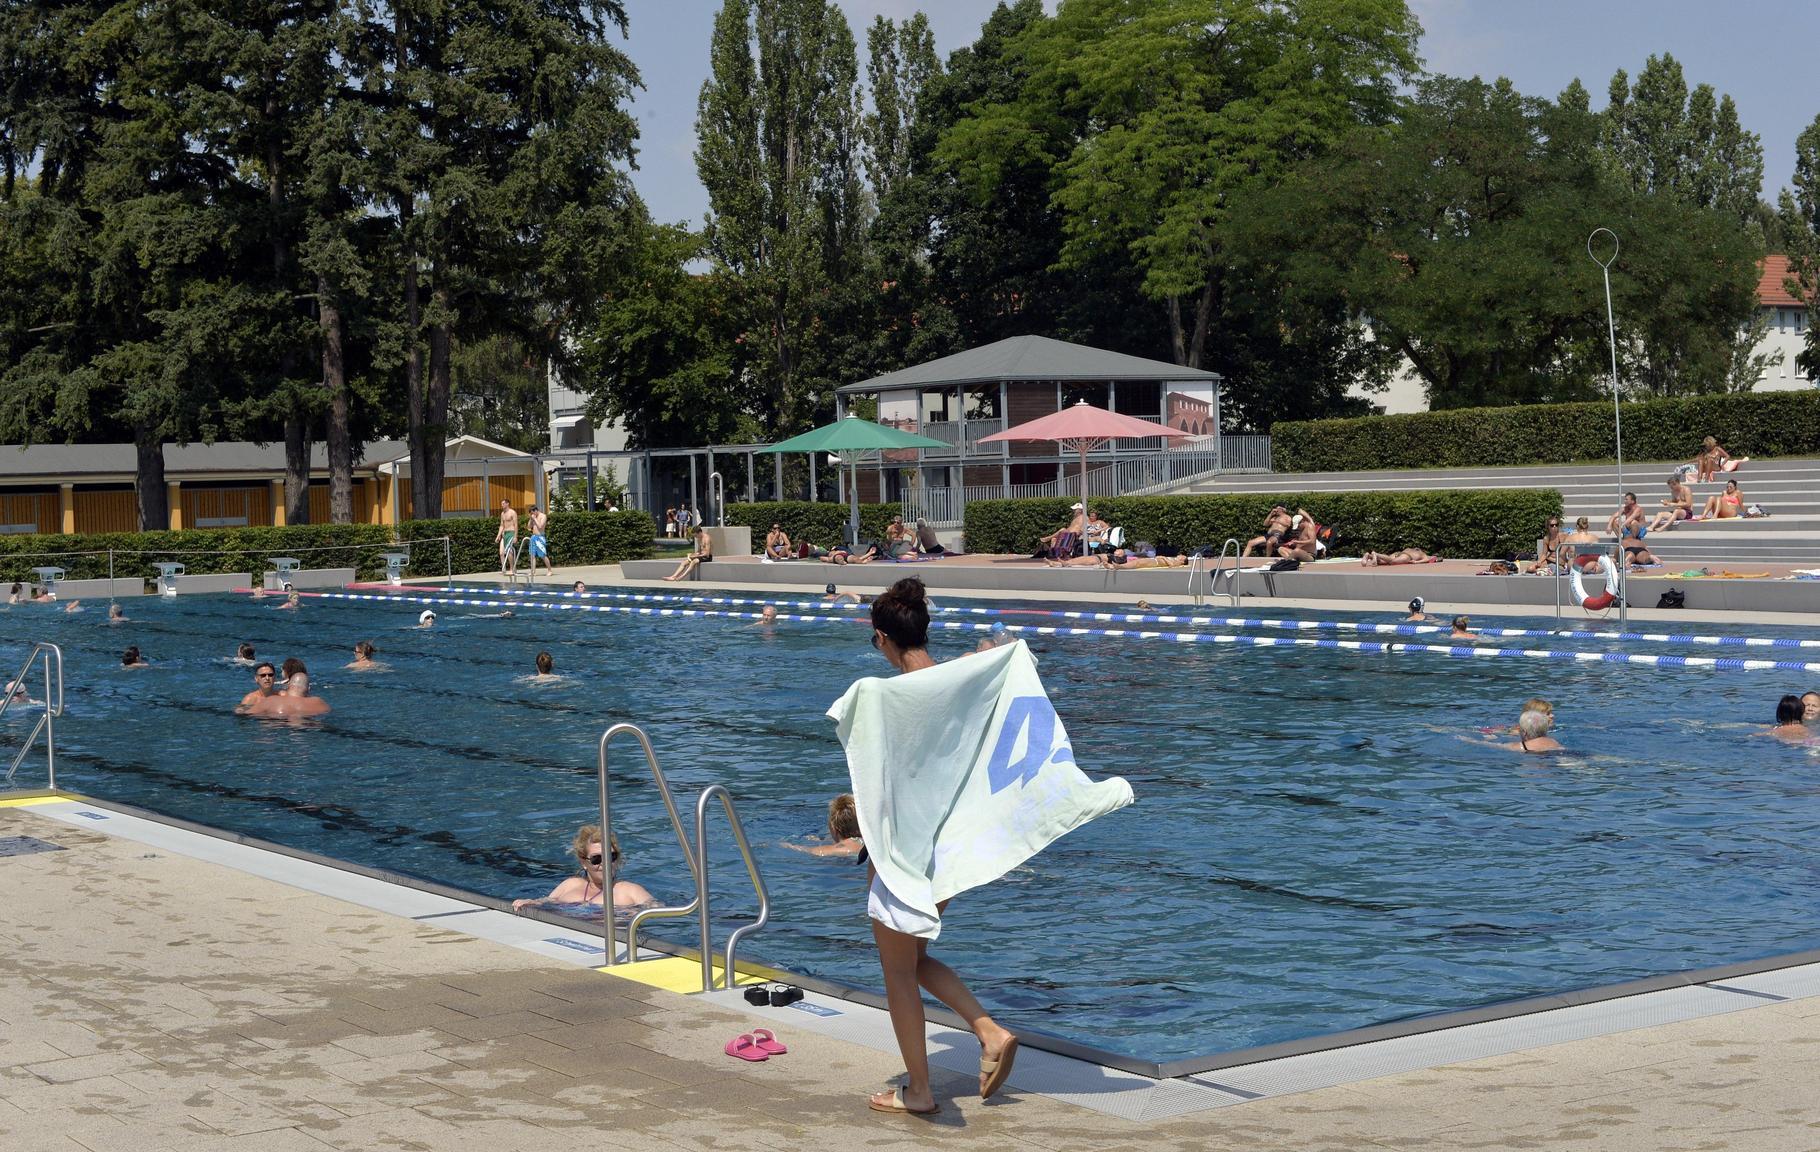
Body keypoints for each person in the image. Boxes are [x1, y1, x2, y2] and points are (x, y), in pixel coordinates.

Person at [859, 578, 1019, 1115]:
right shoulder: (958, 683)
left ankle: (923, 1092)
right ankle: (987, 1031)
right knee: (916, 957)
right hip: (950, 849)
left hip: (906, 851)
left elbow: (883, 781)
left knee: (898, 972)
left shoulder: (887, 697)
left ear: (883, 637)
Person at [512, 826, 654, 912]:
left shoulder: (630, 890)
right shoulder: (571, 884)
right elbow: (546, 902)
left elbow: (658, 912)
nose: (605, 863)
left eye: (611, 856)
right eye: (597, 859)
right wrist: (532, 902)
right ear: (583, 862)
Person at [785, 794, 865, 858]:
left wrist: (787, 845)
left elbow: (810, 851)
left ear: (833, 828)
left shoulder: (839, 849)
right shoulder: (868, 841)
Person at [527, 504, 553, 578]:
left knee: (542, 555)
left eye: (532, 513)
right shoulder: (533, 517)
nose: (532, 514)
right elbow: (529, 527)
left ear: (536, 511)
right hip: (533, 537)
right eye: (531, 513)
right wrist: (531, 519)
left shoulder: (543, 516)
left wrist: (535, 519)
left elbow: (540, 526)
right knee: (532, 555)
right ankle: (533, 571)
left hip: (540, 537)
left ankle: (549, 570)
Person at [496, 498, 519, 575]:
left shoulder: (512, 512)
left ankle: (512, 569)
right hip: (504, 534)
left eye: (503, 503)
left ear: (507, 504)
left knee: (509, 551)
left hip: (511, 533)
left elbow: (516, 525)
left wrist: (515, 536)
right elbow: (501, 525)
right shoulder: (502, 514)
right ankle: (504, 569)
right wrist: (498, 535)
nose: (501, 505)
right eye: (501, 504)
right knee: (501, 552)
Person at [1362, 548, 1440, 566]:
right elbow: (1426, 560)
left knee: (1384, 562)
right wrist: (1416, 562)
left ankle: (1369, 556)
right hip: (1407, 556)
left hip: (1399, 553)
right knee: (1392, 562)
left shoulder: (1409, 548)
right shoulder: (1422, 553)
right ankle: (1376, 554)